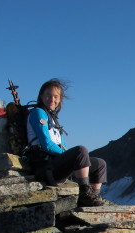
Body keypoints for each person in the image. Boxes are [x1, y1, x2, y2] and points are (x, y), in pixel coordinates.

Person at [26, 78, 107, 207]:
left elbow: (61, 146)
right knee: (80, 151)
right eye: (48, 95)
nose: (52, 99)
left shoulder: (52, 119)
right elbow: (46, 144)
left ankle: (93, 197)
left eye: (56, 96)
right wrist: (70, 157)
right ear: (41, 96)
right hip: (44, 166)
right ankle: (85, 194)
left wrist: (74, 160)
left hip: (55, 165)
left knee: (100, 164)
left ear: (60, 99)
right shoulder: (38, 113)